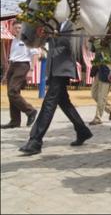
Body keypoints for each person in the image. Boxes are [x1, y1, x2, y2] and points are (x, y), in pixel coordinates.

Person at [19, 20, 93, 156]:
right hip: (53, 68)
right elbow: (46, 41)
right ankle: (83, 131)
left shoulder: (75, 24)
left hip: (64, 68)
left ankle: (35, 140)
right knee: (64, 103)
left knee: (49, 102)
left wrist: (55, 35)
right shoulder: (54, 24)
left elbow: (73, 45)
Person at [1, 20, 39, 129]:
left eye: (19, 28)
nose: (18, 30)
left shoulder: (28, 40)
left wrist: (31, 70)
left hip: (23, 66)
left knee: (12, 91)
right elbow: (12, 57)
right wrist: (6, 73)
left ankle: (30, 111)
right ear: (12, 29)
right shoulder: (13, 41)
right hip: (13, 66)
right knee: (12, 93)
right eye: (16, 28)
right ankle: (15, 121)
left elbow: (35, 54)